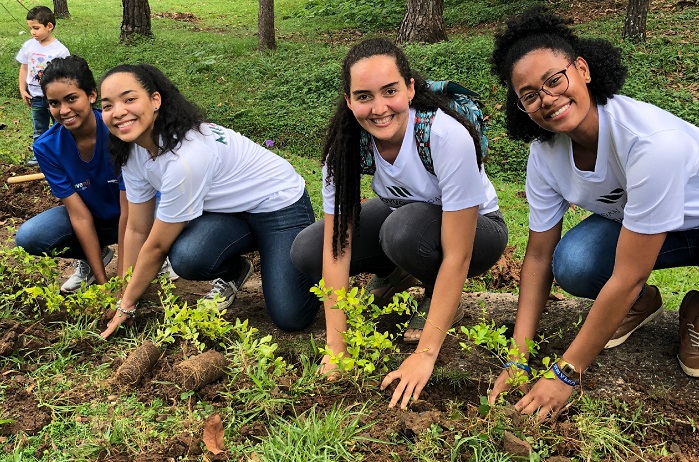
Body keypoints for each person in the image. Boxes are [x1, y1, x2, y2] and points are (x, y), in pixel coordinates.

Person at [487, 6, 699, 420]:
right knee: (575, 262)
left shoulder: (651, 144)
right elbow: (538, 257)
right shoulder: (546, 154)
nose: (547, 99)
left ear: (582, 69)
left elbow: (628, 272)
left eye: (554, 80)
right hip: (650, 227)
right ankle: (638, 305)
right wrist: (519, 357)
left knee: (623, 279)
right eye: (530, 95)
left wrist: (566, 372)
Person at [290, 38, 508, 409]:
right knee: (308, 250)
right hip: (404, 217)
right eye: (364, 96)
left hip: (479, 231)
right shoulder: (345, 146)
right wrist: (337, 348)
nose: (379, 108)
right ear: (348, 100)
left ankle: (438, 299)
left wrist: (425, 354)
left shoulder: (443, 136)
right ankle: (398, 273)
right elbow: (336, 247)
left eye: (390, 91)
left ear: (410, 87)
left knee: (402, 231)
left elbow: (458, 253)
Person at [98, 64, 318, 339]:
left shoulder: (186, 158)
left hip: (278, 205)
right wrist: (121, 292)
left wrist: (127, 306)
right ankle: (235, 269)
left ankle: (305, 254)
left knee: (291, 316)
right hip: (229, 212)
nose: (118, 112)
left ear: (155, 100)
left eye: (129, 99)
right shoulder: (132, 151)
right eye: (107, 105)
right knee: (188, 257)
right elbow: (136, 229)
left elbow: (155, 247)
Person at [15, 56, 124, 292]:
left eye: (71, 98)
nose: (64, 110)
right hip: (95, 218)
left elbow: (133, 213)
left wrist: (124, 287)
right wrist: (104, 287)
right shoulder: (47, 146)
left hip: (138, 215)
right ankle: (94, 257)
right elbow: (80, 216)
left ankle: (151, 254)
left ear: (92, 95)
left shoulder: (118, 132)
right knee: (30, 237)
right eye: (54, 103)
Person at [16, 5, 70, 166]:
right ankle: (39, 155)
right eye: (30, 28)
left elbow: (65, 76)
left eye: (36, 28)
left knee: (59, 127)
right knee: (39, 128)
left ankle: (61, 156)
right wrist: (22, 89)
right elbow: (24, 67)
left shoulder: (60, 50)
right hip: (35, 96)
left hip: (54, 98)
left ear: (49, 26)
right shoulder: (29, 46)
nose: (32, 32)